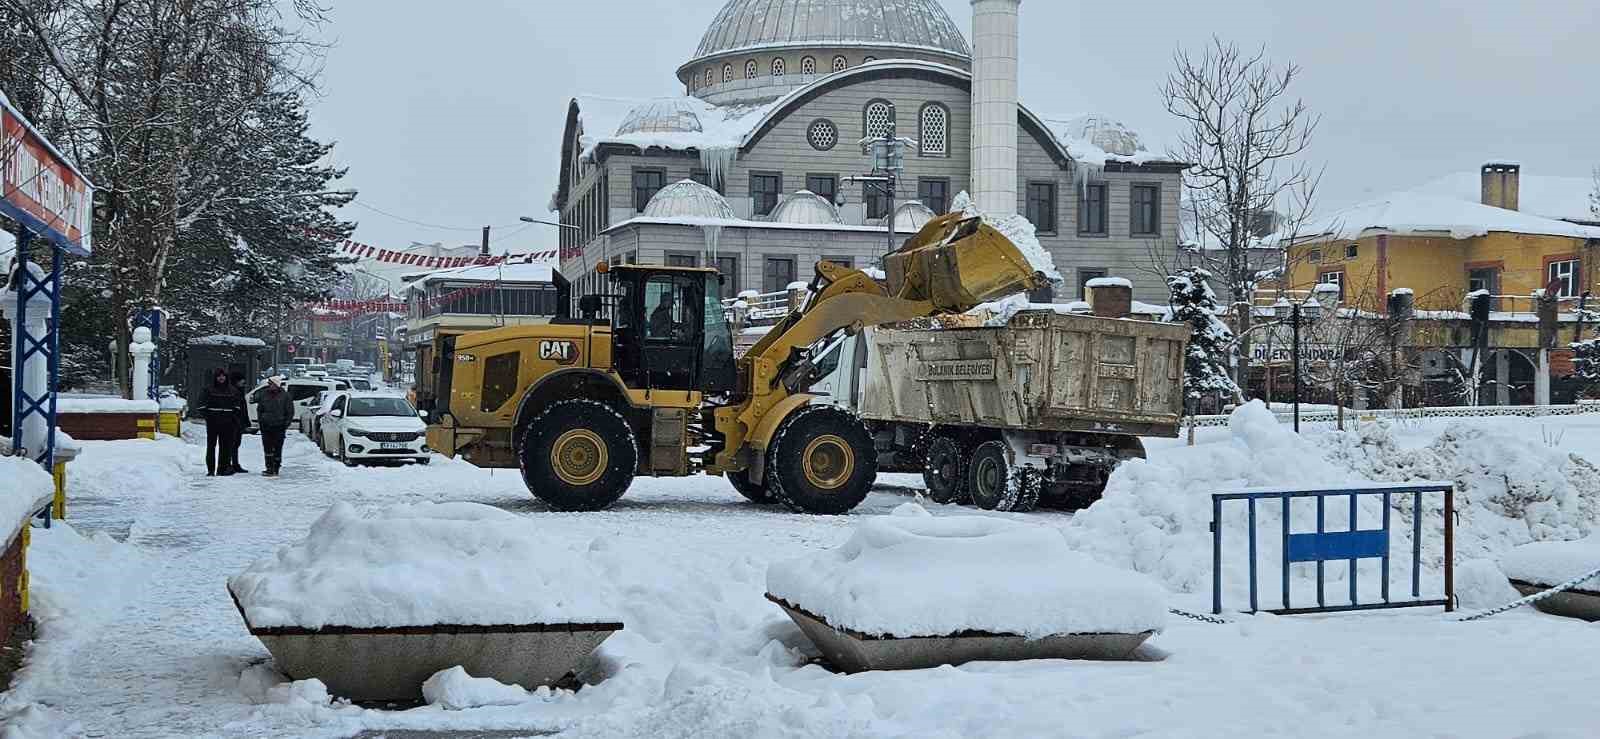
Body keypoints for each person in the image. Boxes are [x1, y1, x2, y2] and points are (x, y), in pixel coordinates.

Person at [197, 368, 239, 476]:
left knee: (225, 447)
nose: (221, 378)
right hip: (213, 423)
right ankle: (211, 470)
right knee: (211, 446)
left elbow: (237, 407)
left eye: (223, 376)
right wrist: (209, 417)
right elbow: (201, 406)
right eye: (219, 376)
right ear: (215, 377)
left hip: (228, 423)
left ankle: (223, 469)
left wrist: (232, 419)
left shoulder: (233, 391)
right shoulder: (208, 390)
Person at [255, 375, 295, 476]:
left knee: (277, 448)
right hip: (266, 426)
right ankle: (269, 467)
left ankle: (276, 467)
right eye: (269, 384)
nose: (270, 386)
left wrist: (285, 424)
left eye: (271, 384)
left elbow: (289, 411)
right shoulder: (264, 395)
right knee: (267, 448)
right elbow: (260, 409)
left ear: (276, 384)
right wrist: (261, 421)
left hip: (279, 426)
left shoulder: (285, 396)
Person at [228, 370, 250, 474]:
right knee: (232, 444)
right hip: (233, 422)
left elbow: (243, 409)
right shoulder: (233, 392)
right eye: (241, 380)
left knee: (235, 444)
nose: (244, 382)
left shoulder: (239, 391)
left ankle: (235, 464)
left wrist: (245, 421)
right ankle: (230, 464)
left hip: (239, 422)